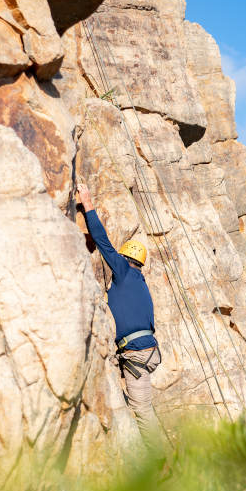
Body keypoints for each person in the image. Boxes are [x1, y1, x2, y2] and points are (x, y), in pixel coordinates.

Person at [76, 183, 163, 453]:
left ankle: (163, 462)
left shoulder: (123, 272)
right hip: (147, 352)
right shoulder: (139, 281)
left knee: (142, 410)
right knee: (144, 404)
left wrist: (88, 205)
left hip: (136, 354)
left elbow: (102, 242)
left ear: (125, 259)